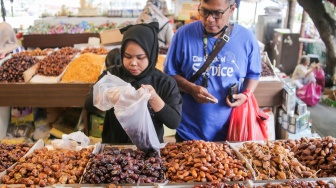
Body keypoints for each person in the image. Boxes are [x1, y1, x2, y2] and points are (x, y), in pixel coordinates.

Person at [164, 0, 261, 141]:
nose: (209, 19)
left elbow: (254, 73)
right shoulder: (183, 34)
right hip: (188, 130)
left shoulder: (247, 39)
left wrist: (246, 94)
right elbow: (169, 74)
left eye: (217, 13)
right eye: (204, 11)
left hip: (230, 131)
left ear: (232, 9)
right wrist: (191, 89)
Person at [85, 22, 182, 143]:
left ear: (151, 55)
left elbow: (174, 122)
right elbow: (88, 105)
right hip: (114, 149)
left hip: (149, 150)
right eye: (127, 56)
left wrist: (154, 99)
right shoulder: (113, 75)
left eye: (140, 57)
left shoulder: (164, 82)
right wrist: (110, 94)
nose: (133, 63)